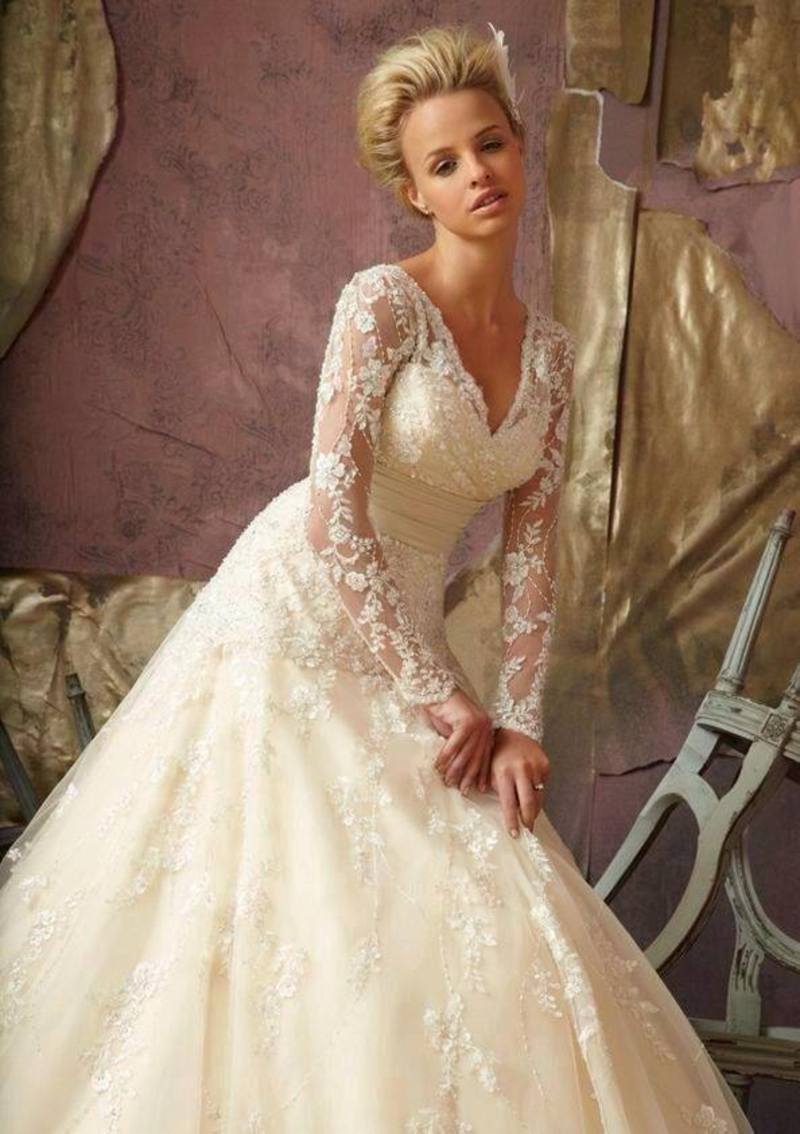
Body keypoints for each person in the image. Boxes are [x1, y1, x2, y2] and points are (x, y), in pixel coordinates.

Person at [0, 21, 754, 1134]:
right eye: (443, 163)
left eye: (489, 144)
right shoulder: (382, 304)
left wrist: (516, 719)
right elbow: (334, 515)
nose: (476, 173)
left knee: (468, 868)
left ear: (518, 148)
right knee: (292, 880)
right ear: (414, 192)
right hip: (297, 605)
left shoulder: (548, 352)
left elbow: (533, 549)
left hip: (405, 622)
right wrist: (439, 690)